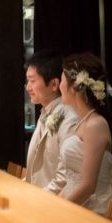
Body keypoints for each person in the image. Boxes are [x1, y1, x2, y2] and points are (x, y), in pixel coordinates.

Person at [49, 52, 112, 220]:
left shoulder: (96, 125)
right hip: (76, 203)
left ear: (75, 87)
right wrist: (54, 204)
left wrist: (61, 210)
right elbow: (72, 180)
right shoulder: (82, 122)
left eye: (63, 79)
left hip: (96, 209)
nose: (60, 85)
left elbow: (88, 186)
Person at [23, 50, 78, 189]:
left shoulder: (69, 117)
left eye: (32, 81)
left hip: (54, 199)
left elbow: (65, 177)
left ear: (54, 84)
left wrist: (38, 198)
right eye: (27, 81)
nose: (28, 87)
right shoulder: (45, 112)